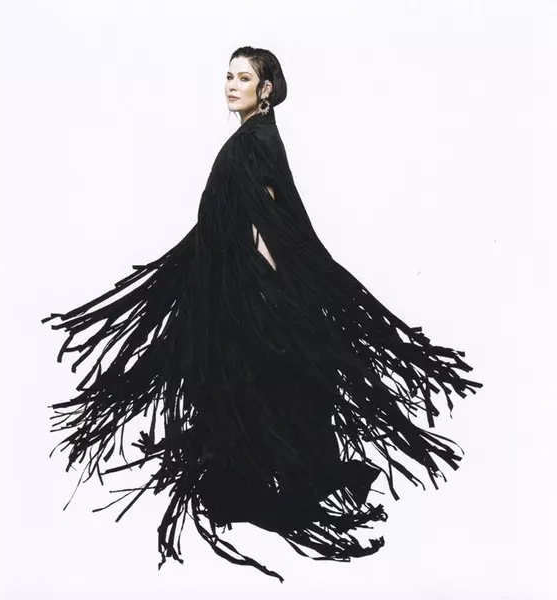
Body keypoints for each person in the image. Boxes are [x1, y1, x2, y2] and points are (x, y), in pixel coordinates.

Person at [42, 46, 483, 583]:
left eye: (243, 77)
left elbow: (266, 220)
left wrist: (271, 290)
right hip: (237, 285)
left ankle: (273, 482)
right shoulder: (254, 135)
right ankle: (258, 477)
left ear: (266, 88)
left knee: (255, 377)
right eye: (228, 76)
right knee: (248, 380)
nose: (231, 85)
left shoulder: (255, 141)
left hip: (251, 288)